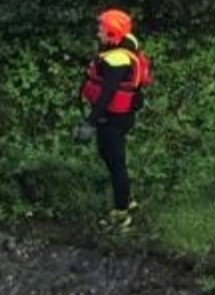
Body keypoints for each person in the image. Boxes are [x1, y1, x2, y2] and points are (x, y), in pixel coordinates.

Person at [77, 8, 153, 232]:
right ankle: (125, 199)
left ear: (112, 33)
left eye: (102, 28)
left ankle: (122, 214)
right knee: (109, 156)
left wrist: (90, 122)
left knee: (116, 163)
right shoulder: (122, 44)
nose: (98, 31)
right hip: (115, 116)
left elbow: (107, 94)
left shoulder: (117, 61)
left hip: (115, 118)